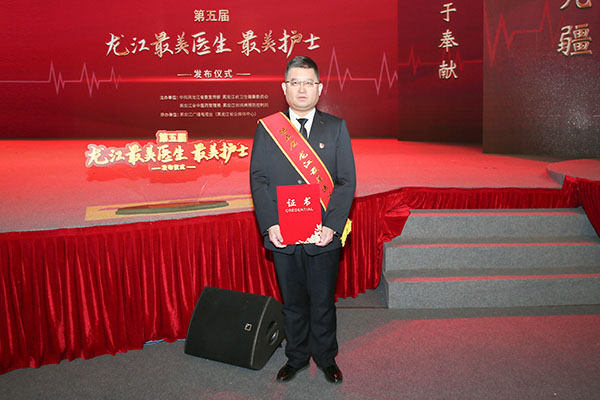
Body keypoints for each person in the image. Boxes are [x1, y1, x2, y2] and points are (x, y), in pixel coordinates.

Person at [250, 56, 356, 384]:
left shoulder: (336, 128)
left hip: (322, 234)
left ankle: (326, 357)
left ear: (319, 89)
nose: (301, 89)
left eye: (308, 83)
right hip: (283, 233)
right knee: (293, 303)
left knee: (323, 302)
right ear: (284, 88)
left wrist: (332, 227)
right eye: (295, 82)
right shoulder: (268, 129)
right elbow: (259, 179)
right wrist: (270, 224)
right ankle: (295, 357)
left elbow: (346, 181)